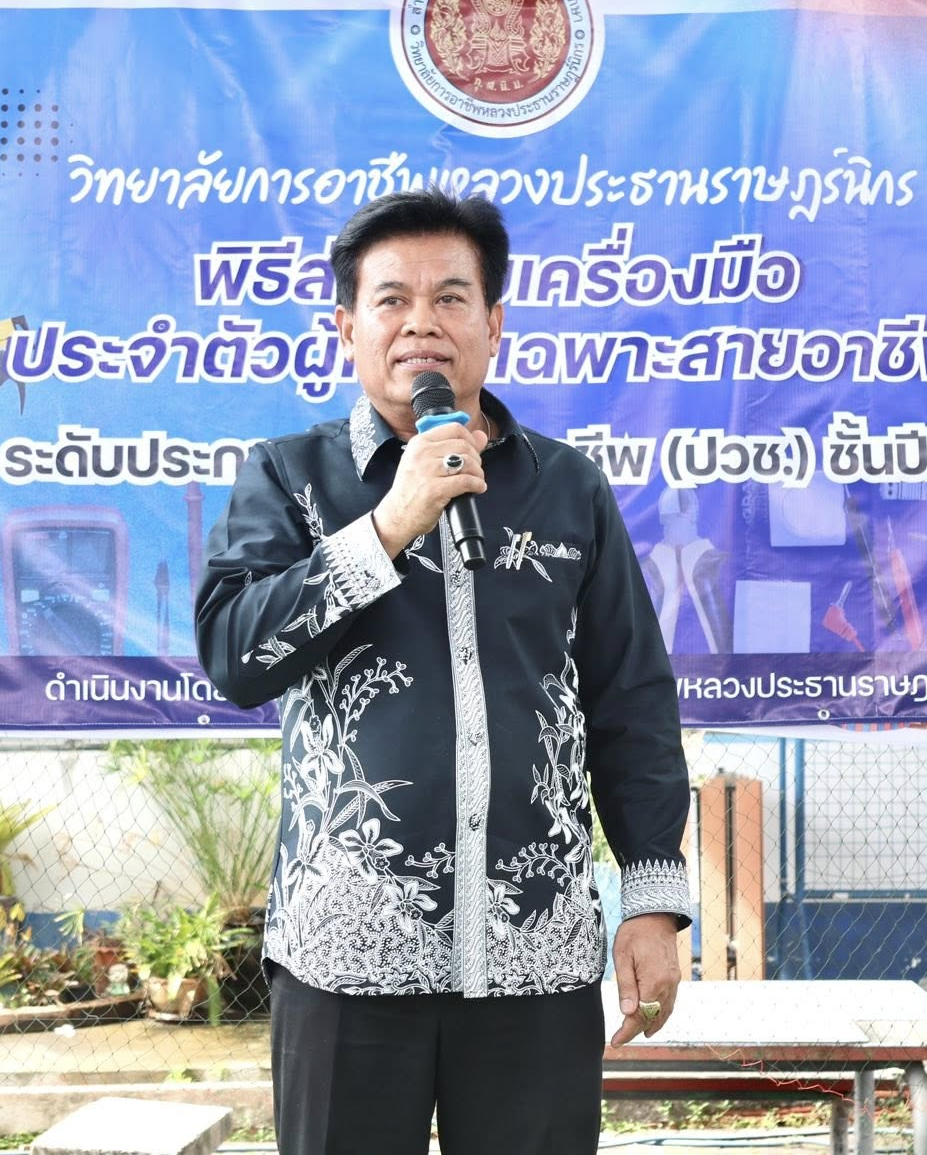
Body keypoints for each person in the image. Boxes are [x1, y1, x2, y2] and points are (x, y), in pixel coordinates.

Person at [195, 190, 693, 1155]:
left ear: (494, 325)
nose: (421, 322)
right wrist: (390, 523)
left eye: (451, 298)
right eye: (391, 299)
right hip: (347, 961)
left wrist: (652, 905)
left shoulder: (568, 488)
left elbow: (630, 700)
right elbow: (236, 657)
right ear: (347, 328)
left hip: (534, 960)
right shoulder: (289, 477)